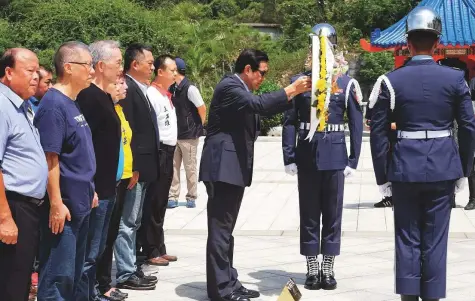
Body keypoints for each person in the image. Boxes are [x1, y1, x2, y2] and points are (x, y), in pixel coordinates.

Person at [369, 7, 475, 301]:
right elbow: (468, 128)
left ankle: (409, 297)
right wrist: (464, 170)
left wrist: (382, 176)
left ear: (408, 43)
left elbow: (377, 134)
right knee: (435, 240)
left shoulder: (390, 81)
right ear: (438, 43)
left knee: (406, 238)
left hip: (404, 167)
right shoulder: (455, 80)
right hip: (443, 166)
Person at [199, 48, 311, 301]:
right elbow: (258, 105)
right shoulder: (230, 86)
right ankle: (221, 290)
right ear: (247, 69)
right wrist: (291, 89)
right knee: (220, 230)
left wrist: (293, 95)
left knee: (226, 230)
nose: (263, 78)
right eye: (262, 73)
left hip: (232, 168)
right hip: (222, 168)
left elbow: (262, 109)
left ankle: (229, 280)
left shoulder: (241, 89)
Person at [282, 23, 363, 291]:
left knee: (332, 214)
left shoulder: (345, 82)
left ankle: (328, 267)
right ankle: (312, 269)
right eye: (318, 46)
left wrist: (353, 160)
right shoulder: (301, 81)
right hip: (307, 154)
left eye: (327, 45)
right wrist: (289, 156)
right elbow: (290, 121)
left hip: (335, 154)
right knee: (308, 213)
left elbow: (355, 122)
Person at [34, 41, 98, 301]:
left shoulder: (72, 102)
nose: (92, 71)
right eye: (88, 65)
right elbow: (51, 159)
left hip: (81, 201)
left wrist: (90, 190)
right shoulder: (52, 106)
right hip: (65, 209)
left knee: (74, 274)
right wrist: (56, 203)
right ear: (69, 68)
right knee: (57, 278)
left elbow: (77, 154)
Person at [76, 40, 125, 301]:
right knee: (89, 253)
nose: (121, 68)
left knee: (99, 248)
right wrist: (91, 185)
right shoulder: (88, 98)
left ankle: (93, 292)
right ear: (101, 65)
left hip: (109, 187)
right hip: (96, 189)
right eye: (118, 63)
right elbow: (84, 147)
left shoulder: (105, 97)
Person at [0, 48, 48, 301]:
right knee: (12, 282)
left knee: (20, 278)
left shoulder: (22, 105)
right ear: (8, 72)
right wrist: (5, 218)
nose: (36, 77)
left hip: (28, 207)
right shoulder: (2, 106)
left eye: (37, 72)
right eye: (29, 71)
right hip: (13, 206)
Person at [114, 43, 159, 290]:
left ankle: (131, 266)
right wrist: (135, 167)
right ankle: (125, 272)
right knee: (128, 222)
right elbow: (128, 132)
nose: (153, 67)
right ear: (136, 64)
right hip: (135, 168)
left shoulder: (138, 87)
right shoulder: (128, 88)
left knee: (135, 221)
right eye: (149, 62)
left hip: (142, 167)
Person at [96, 75, 134, 300]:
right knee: (102, 239)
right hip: (105, 182)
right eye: (117, 83)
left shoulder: (118, 109)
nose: (123, 86)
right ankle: (100, 285)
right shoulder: (102, 109)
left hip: (120, 178)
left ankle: (104, 283)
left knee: (109, 236)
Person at [141, 54, 178, 266]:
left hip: (169, 151)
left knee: (162, 202)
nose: (175, 73)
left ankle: (159, 246)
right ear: (160, 72)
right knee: (154, 202)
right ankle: (150, 249)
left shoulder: (166, 95)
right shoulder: (152, 94)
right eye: (171, 69)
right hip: (159, 151)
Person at [168, 57, 206, 208]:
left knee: (190, 167)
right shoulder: (171, 88)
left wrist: (198, 126)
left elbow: (202, 108)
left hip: (189, 136)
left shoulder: (190, 89)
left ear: (176, 71)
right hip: (174, 134)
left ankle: (191, 196)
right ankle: (172, 196)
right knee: (173, 167)